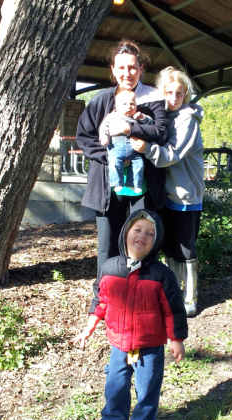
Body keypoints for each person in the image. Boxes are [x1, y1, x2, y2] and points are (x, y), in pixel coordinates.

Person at [71, 210, 187, 420]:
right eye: (138, 230)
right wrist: (89, 326)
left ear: (156, 241)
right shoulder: (109, 267)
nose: (143, 236)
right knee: (115, 387)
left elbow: (173, 310)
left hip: (150, 346)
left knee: (147, 391)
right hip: (119, 345)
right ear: (125, 233)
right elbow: (100, 300)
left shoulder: (161, 274)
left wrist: (176, 339)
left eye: (150, 233)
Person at [76, 39, 168, 269]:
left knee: (143, 242)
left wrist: (130, 129)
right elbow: (85, 136)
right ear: (113, 70)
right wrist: (114, 158)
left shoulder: (153, 99)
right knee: (108, 245)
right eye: (122, 67)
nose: (127, 73)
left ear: (141, 69)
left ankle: (143, 295)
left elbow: (161, 132)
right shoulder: (102, 100)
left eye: (133, 67)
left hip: (144, 185)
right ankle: (104, 299)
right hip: (109, 184)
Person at [131, 67, 205, 317]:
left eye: (180, 93)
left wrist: (145, 148)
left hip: (186, 195)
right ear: (162, 92)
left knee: (185, 247)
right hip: (166, 195)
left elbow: (171, 155)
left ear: (186, 95)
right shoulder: (166, 117)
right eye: (169, 92)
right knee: (169, 245)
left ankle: (190, 296)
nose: (174, 97)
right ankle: (174, 293)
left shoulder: (188, 119)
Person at [99, 89, 153, 193]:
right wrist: (104, 136)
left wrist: (142, 117)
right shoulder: (113, 116)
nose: (129, 106)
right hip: (116, 148)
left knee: (139, 164)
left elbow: (150, 123)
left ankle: (134, 184)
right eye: (124, 104)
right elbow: (103, 127)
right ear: (117, 106)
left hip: (134, 149)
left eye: (132, 104)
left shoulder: (136, 117)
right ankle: (116, 183)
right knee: (114, 163)